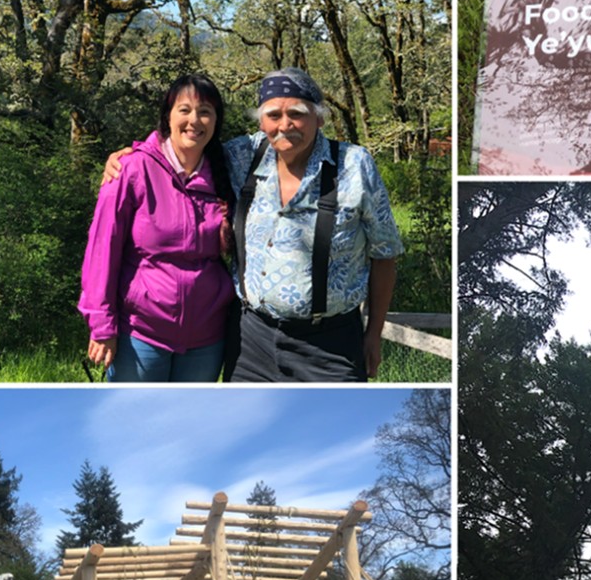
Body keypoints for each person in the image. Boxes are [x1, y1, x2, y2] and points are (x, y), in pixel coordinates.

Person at [103, 67, 402, 382]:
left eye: (297, 114)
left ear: (319, 118)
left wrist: (374, 333)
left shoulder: (354, 165)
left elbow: (385, 253)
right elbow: (184, 148)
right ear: (261, 122)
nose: (284, 125)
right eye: (273, 115)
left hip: (330, 347)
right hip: (250, 342)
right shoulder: (241, 156)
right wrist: (132, 156)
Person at [80, 74, 235, 382]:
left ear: (216, 121)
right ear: (168, 116)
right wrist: (101, 324)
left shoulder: (228, 171)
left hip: (207, 338)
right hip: (141, 334)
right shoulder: (131, 169)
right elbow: (102, 248)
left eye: (205, 112)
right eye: (184, 110)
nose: (194, 120)